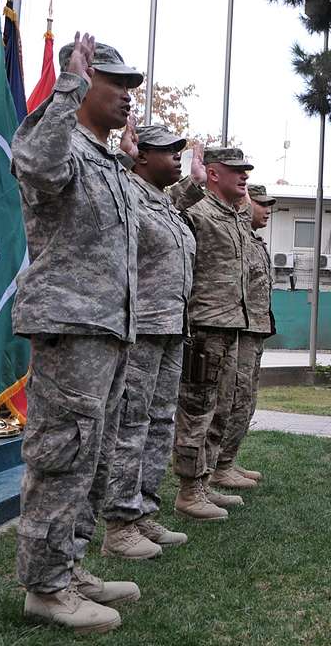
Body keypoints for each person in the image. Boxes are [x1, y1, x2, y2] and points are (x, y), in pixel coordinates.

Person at [11, 34, 142, 632]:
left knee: (91, 454)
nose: (127, 96)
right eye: (115, 82)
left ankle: (73, 567)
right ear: (84, 81)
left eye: (132, 87)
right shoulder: (57, 141)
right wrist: (67, 83)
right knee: (62, 455)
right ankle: (45, 587)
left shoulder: (106, 161)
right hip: (70, 324)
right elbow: (35, 166)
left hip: (108, 328)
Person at [97, 122, 196, 560]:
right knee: (131, 426)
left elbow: (192, 191)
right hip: (141, 328)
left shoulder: (165, 204)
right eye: (166, 150)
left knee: (160, 423)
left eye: (179, 150)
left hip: (172, 326)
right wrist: (120, 157)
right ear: (140, 156)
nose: (177, 155)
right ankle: (118, 525)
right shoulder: (127, 192)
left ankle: (142, 511)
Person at [172, 147, 253, 519]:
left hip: (232, 323)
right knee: (197, 410)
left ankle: (204, 483)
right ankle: (189, 490)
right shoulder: (196, 212)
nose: (245, 176)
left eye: (246, 170)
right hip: (204, 326)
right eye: (236, 170)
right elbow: (166, 212)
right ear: (214, 174)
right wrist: (193, 182)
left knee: (221, 407)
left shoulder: (235, 217)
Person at [210, 184, 276, 490]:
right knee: (233, 398)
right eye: (261, 204)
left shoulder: (254, 241)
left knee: (246, 399)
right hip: (240, 327)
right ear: (247, 204)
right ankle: (217, 466)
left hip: (255, 329)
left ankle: (228, 460)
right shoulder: (234, 237)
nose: (267, 210)